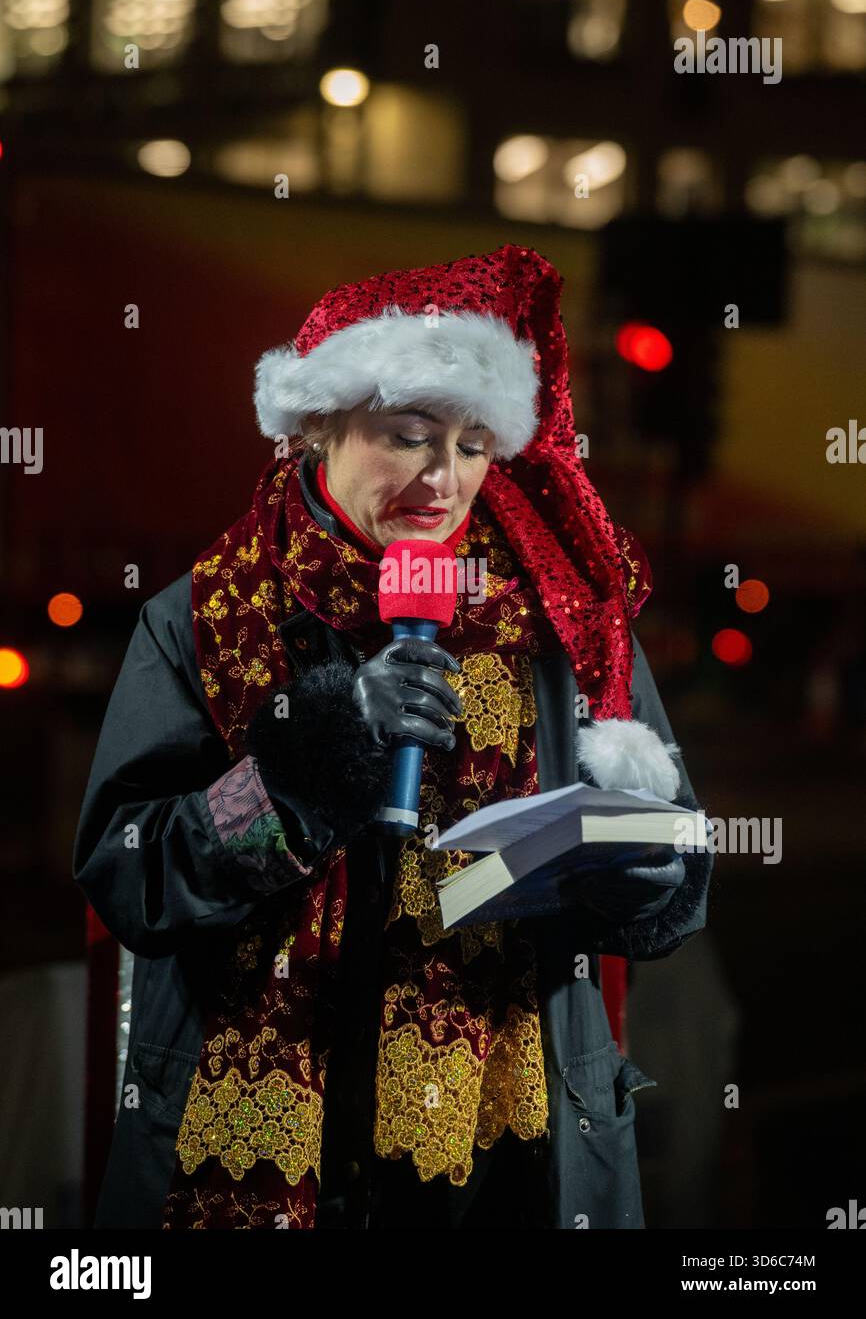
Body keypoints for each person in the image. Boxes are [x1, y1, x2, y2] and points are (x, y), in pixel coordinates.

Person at [73, 243, 714, 1230]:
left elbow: (673, 858)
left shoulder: (559, 617)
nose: (442, 479)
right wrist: (304, 767)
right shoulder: (203, 615)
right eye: (408, 435)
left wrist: (636, 872)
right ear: (316, 429)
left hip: (509, 1159)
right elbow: (128, 870)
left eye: (470, 444)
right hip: (277, 1158)